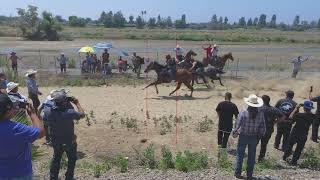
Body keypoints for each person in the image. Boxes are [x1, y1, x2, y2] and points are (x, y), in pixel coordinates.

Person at [0, 94, 45, 179]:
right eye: (13, 107)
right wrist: (33, 115)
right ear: (8, 111)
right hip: (20, 173)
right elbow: (41, 133)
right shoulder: (16, 128)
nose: (15, 109)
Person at [44, 90, 85, 180]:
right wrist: (77, 103)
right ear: (64, 101)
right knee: (71, 160)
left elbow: (46, 119)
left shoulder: (48, 112)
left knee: (56, 159)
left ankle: (53, 177)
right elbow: (82, 115)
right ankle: (69, 177)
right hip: (69, 141)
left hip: (56, 141)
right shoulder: (70, 112)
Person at [233, 94, 265, 180]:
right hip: (254, 137)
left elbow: (237, 125)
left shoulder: (243, 112)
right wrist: (259, 137)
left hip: (243, 136)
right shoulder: (260, 114)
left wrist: (234, 132)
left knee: (240, 155)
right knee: (251, 157)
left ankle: (238, 173)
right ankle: (249, 175)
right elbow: (263, 128)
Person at [283, 101, 316, 166]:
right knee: (299, 148)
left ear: (304, 108)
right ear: (310, 108)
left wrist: (296, 108)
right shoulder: (312, 116)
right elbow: (311, 113)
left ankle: (285, 157)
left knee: (290, 145)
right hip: (304, 134)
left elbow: (290, 117)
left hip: (295, 132)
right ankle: (294, 161)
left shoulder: (299, 115)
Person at [257, 95, 285, 162]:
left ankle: (251, 157)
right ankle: (261, 158)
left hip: (258, 129)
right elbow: (283, 117)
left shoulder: (259, 108)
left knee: (254, 143)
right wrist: (276, 122)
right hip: (268, 130)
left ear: (262, 100)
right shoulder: (273, 109)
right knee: (264, 145)